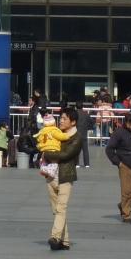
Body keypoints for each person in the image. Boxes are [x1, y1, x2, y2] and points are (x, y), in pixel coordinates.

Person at [41, 106, 84, 251]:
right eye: (61, 118)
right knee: (57, 211)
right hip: (51, 175)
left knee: (61, 208)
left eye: (65, 119)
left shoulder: (77, 138)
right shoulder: (56, 133)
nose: (61, 121)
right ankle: (64, 242)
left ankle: (55, 237)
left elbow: (66, 155)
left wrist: (47, 154)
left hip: (65, 176)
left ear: (73, 122)